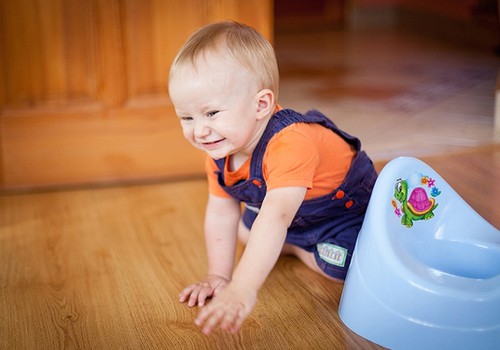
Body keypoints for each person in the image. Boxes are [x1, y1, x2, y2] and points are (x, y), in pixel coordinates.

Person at [168, 21, 377, 336]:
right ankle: (289, 243)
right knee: (243, 234)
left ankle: (300, 248)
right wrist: (219, 276)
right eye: (187, 117)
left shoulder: (290, 143)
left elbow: (276, 216)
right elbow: (221, 211)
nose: (199, 130)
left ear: (261, 105)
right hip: (286, 212)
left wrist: (242, 288)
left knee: (345, 269)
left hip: (340, 212)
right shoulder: (219, 151)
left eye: (211, 113)